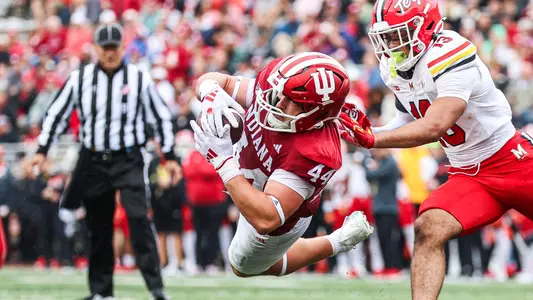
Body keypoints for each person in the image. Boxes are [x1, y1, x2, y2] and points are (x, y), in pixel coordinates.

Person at [339, 1, 533, 299]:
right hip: (469, 174)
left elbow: (434, 126)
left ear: (424, 28)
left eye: (398, 34)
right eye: (386, 36)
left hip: (511, 160)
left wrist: (372, 140)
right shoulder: (396, 67)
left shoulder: (449, 52)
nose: (391, 44)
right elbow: (404, 123)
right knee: (429, 227)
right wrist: (366, 133)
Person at [189, 52, 374, 277]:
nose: (280, 103)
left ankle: (337, 241)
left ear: (318, 112)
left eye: (294, 102)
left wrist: (223, 162)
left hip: (277, 208)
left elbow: (266, 218)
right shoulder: (274, 89)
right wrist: (210, 92)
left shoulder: (315, 151)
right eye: (282, 93)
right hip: (250, 171)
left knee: (242, 267)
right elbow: (218, 80)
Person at [31, 23, 179, 300]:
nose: (110, 53)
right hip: (94, 159)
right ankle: (101, 291)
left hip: (129, 157)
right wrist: (42, 149)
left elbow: (160, 117)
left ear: (123, 48)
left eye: (114, 48)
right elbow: (56, 114)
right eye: (105, 48)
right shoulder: (80, 78)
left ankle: (156, 289)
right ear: (96, 49)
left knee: (138, 220)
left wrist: (169, 156)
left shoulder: (139, 78)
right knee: (98, 226)